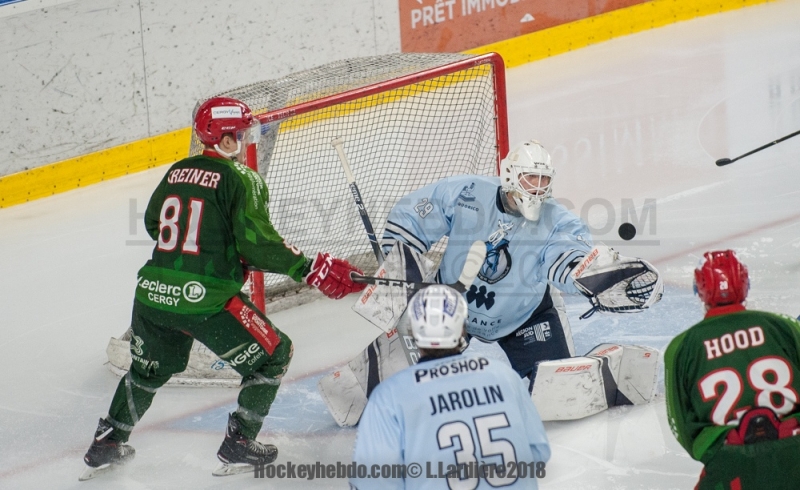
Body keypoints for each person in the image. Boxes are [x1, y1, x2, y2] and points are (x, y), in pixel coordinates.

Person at [80, 97, 365, 479]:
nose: (247, 140)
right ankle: (240, 442)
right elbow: (258, 243)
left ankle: (107, 442)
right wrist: (309, 267)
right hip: (205, 301)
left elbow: (153, 223)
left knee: (147, 371)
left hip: (152, 296)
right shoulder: (241, 178)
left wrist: (207, 250)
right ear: (226, 139)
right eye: (241, 134)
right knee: (275, 354)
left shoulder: (178, 171)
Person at [379, 140, 661, 386]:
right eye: (530, 178)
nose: (537, 187)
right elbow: (412, 217)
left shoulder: (559, 220)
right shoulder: (468, 191)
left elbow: (567, 255)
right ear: (510, 176)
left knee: (560, 388)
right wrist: (400, 265)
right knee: (402, 383)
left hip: (525, 315)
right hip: (450, 306)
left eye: (543, 179)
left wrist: (592, 276)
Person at [350, 285, 551, 489]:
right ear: (463, 328)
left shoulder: (390, 396)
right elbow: (538, 453)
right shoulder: (504, 376)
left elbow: (372, 483)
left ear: (412, 332)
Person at [664, 250, 800, 490]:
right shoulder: (783, 326)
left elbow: (682, 428)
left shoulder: (682, 347)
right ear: (745, 284)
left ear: (699, 289)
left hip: (730, 462)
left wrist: (719, 449)